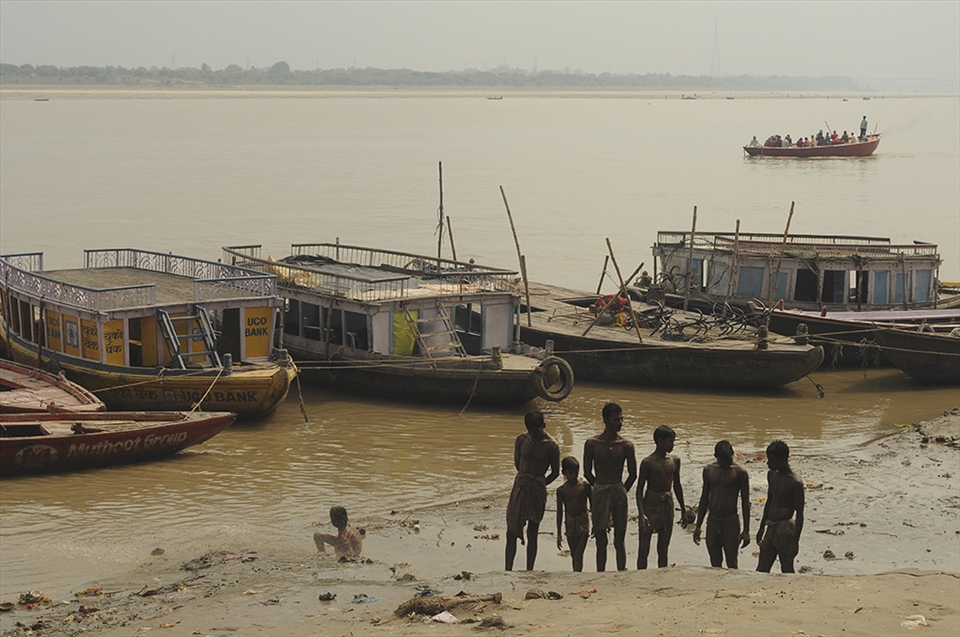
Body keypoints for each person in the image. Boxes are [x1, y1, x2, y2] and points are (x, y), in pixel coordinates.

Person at [583, 402, 637, 571]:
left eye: (621, 419)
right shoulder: (592, 443)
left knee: (619, 537)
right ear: (606, 420)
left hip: (618, 488)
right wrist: (599, 487)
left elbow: (633, 474)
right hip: (600, 488)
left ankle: (622, 571)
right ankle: (601, 572)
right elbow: (587, 471)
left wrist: (621, 490)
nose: (620, 423)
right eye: (616, 420)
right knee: (600, 537)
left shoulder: (626, 445)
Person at [505, 411, 560, 571]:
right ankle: (508, 569)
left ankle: (530, 569)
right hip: (521, 484)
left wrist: (541, 484)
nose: (534, 434)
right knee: (512, 529)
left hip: (537, 486)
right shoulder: (521, 440)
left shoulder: (551, 445)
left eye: (537, 431)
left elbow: (555, 472)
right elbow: (517, 463)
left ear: (543, 426)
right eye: (531, 431)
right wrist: (525, 479)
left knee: (533, 530)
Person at [636, 425, 688, 569]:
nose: (673, 445)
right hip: (651, 502)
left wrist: (683, 509)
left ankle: (662, 575)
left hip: (667, 502)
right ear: (660, 441)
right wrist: (641, 514)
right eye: (670, 442)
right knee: (643, 547)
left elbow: (677, 485)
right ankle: (640, 576)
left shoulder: (675, 461)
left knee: (663, 546)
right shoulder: (648, 462)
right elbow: (639, 489)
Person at [692, 441, 751, 568]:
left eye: (728, 460)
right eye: (722, 461)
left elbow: (745, 502)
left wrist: (746, 530)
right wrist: (698, 526)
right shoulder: (709, 470)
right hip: (713, 519)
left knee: (731, 560)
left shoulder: (740, 472)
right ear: (715, 456)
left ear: (733, 455)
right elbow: (704, 498)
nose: (725, 464)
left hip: (730, 520)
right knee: (714, 560)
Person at [756, 440, 805, 573]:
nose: (768, 463)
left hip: (785, 528)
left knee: (787, 567)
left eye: (771, 460)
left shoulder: (795, 482)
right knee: (762, 568)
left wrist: (795, 541)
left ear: (782, 459)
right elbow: (770, 500)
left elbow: (800, 513)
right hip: (771, 525)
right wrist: (761, 526)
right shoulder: (772, 475)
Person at [556, 456, 592, 572]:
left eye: (576, 472)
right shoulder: (561, 490)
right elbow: (560, 512)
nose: (574, 475)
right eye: (570, 473)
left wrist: (595, 523)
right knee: (574, 554)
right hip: (570, 522)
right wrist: (559, 533)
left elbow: (593, 505)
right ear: (564, 473)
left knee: (578, 553)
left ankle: (577, 575)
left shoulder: (585, 486)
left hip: (583, 522)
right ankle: (576, 575)